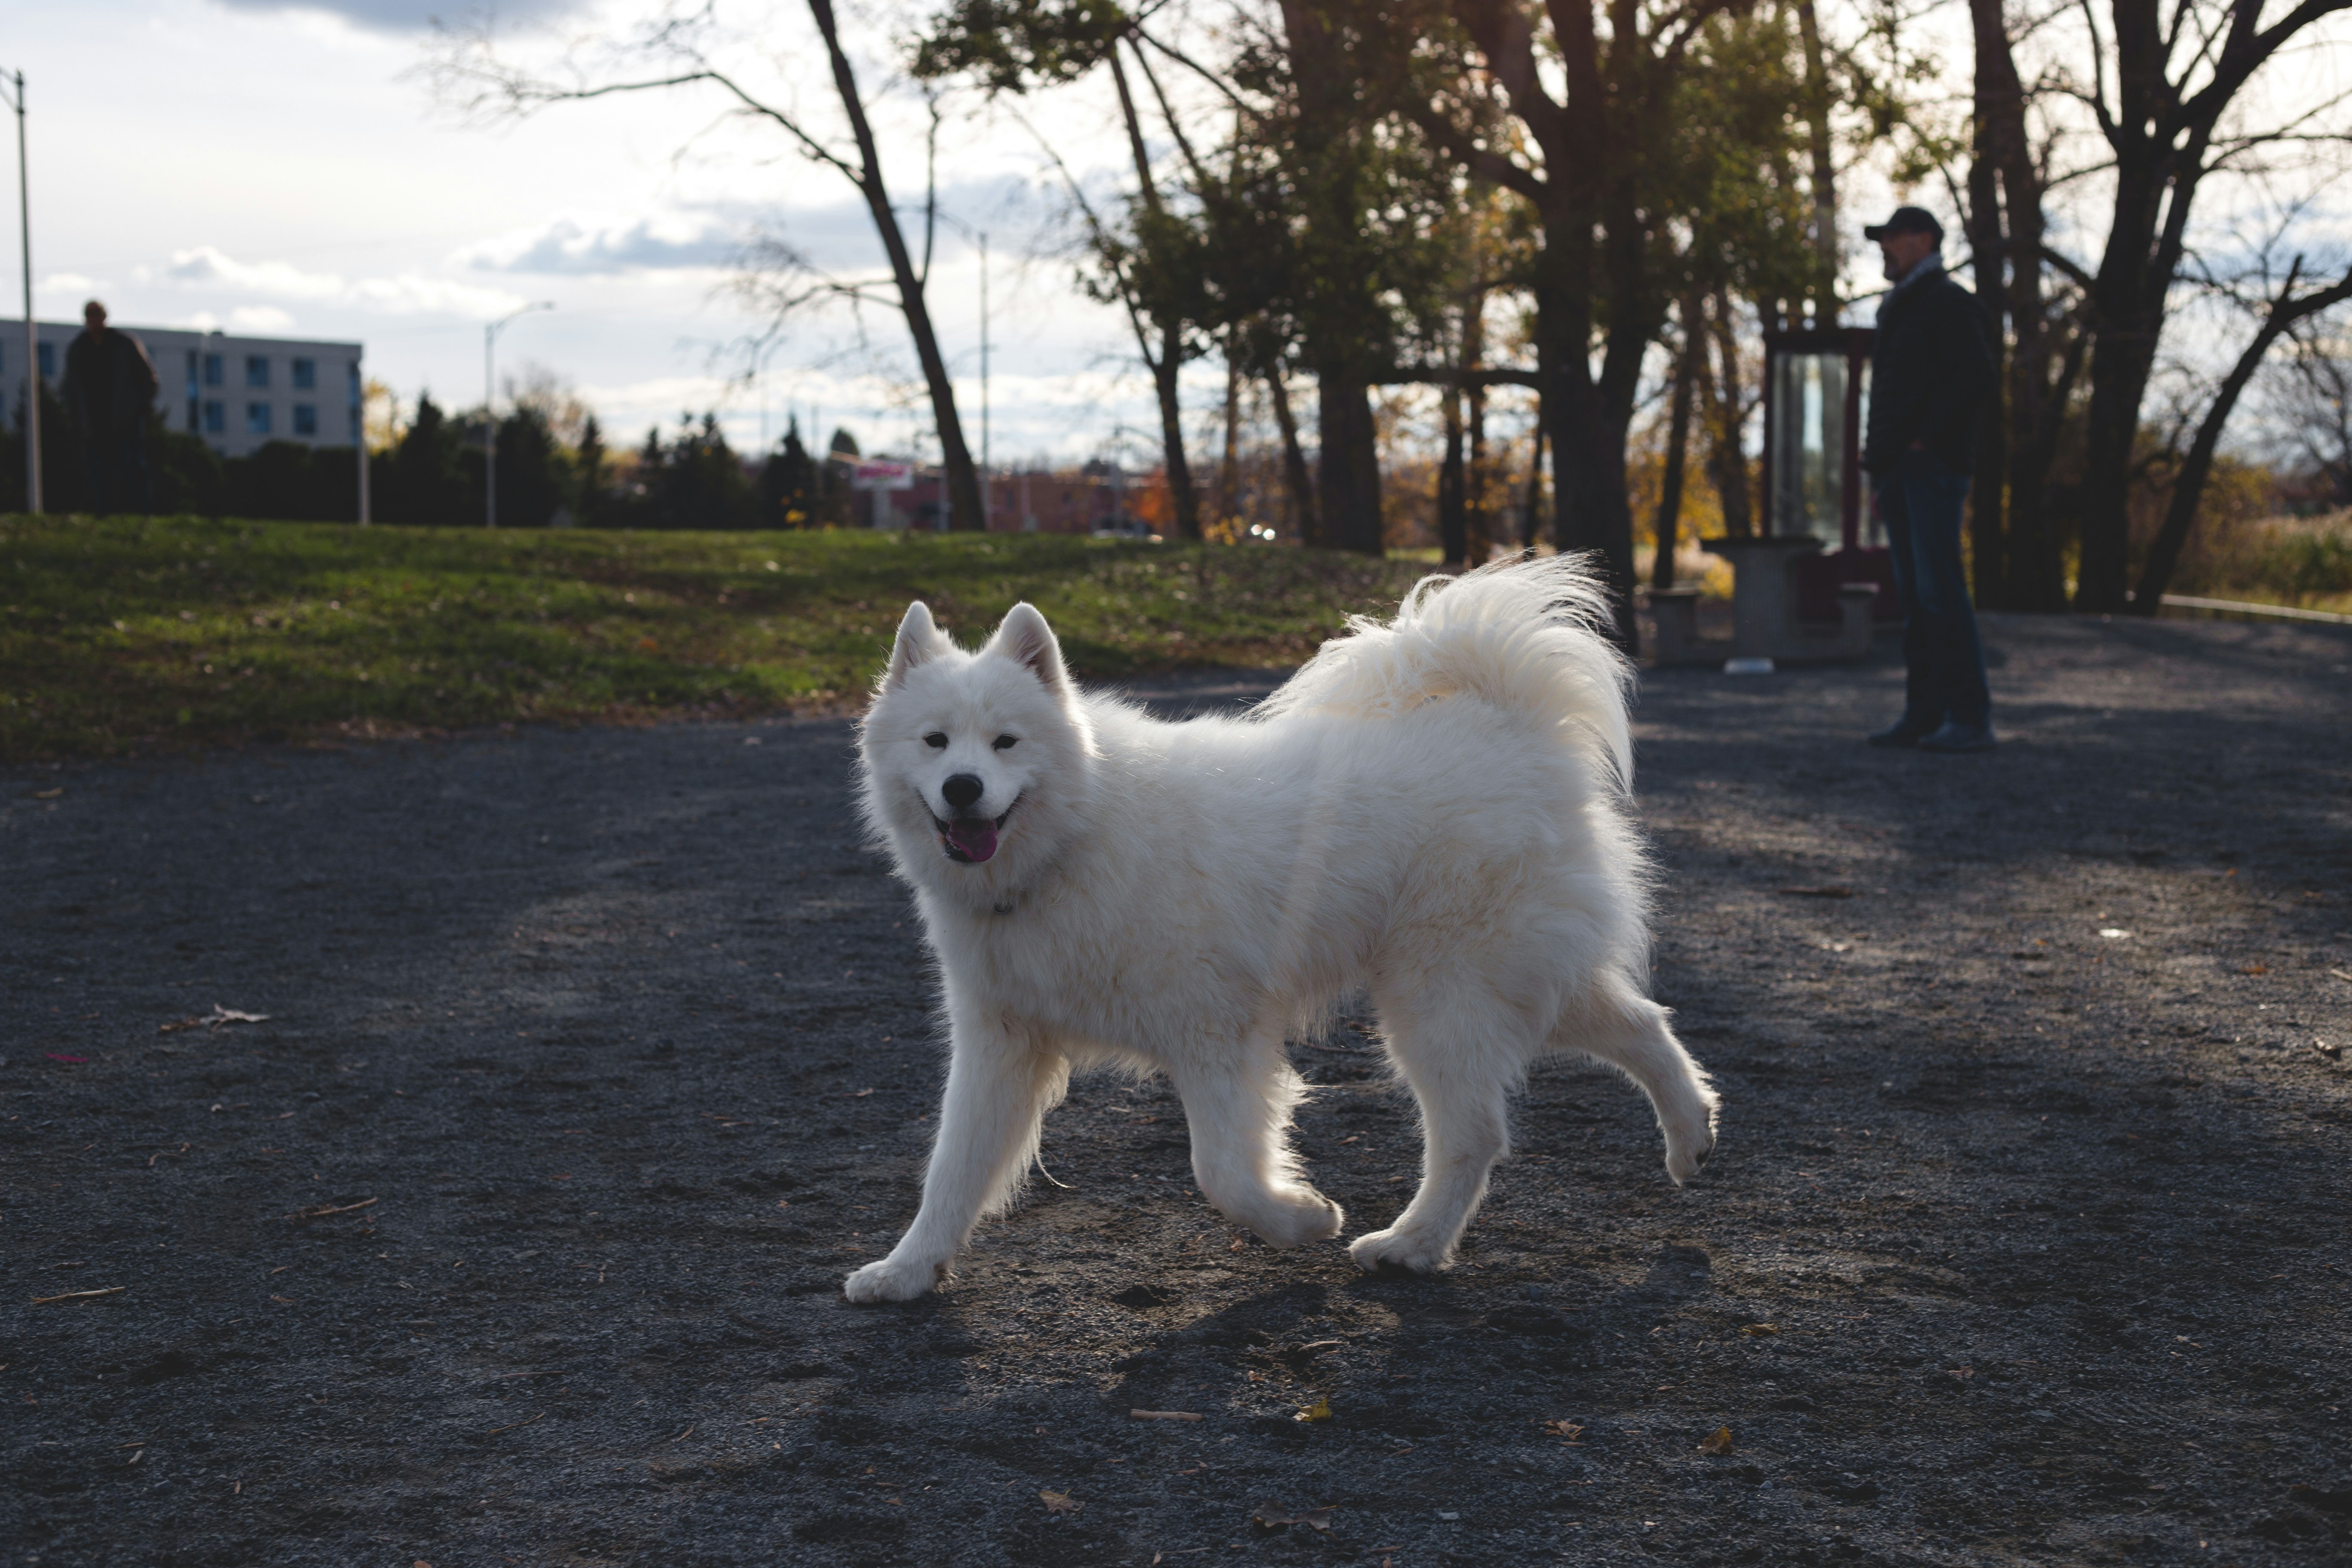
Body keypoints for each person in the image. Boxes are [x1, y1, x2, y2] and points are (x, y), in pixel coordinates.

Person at [1860, 208, 1996, 753]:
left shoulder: (1947, 302)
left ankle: (1969, 718)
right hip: (1903, 472)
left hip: (1929, 470)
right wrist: (1884, 467)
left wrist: (1922, 446)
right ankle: (1925, 714)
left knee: (1940, 593)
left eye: (1892, 237)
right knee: (1918, 598)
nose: (1884, 248)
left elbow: (1977, 378)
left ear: (1925, 240)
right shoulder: (1905, 305)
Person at [60, 300, 159, 515]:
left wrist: (137, 410)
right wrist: (76, 419)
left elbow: (148, 380)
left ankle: (143, 515)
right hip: (93, 422)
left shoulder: (124, 344)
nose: (94, 320)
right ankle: (104, 515)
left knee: (133, 468)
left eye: (97, 315)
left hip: (125, 420)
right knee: (99, 472)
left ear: (105, 317)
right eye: (90, 315)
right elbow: (70, 388)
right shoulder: (78, 349)